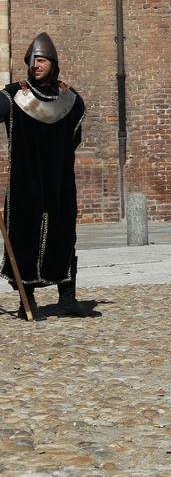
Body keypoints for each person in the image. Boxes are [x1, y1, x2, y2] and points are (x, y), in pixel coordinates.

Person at [0, 33, 95, 320]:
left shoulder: (71, 100)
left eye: (41, 60)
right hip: (25, 182)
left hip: (60, 180)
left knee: (64, 235)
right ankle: (26, 302)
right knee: (24, 236)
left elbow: (73, 139)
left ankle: (67, 299)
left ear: (53, 63)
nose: (35, 64)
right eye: (32, 60)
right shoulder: (12, 95)